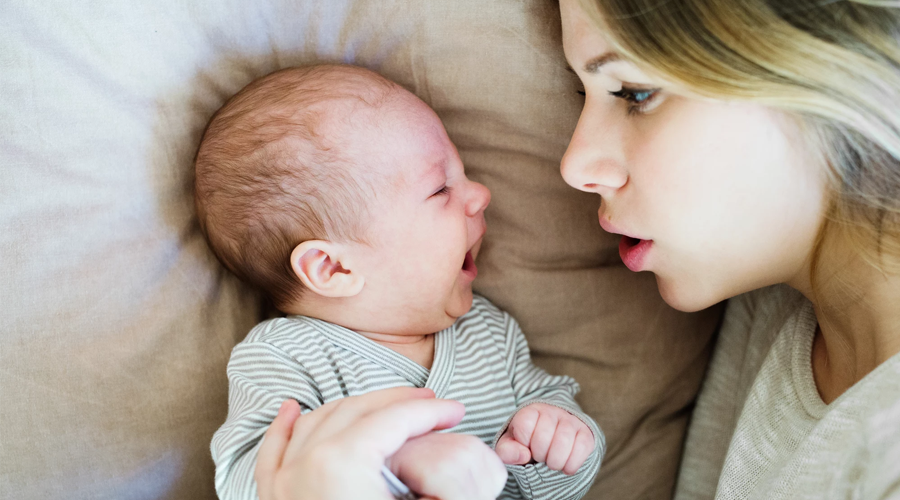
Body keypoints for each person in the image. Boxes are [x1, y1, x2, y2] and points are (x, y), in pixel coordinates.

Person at [254, 0, 900, 498]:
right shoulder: (771, 309)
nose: (574, 166)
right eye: (582, 96)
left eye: (634, 93)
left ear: (822, 55)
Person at [194, 64, 604, 500]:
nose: (480, 194)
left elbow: (560, 475)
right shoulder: (287, 357)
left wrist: (557, 439)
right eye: (440, 189)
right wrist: (389, 467)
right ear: (333, 268)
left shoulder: (489, 334)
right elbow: (245, 480)